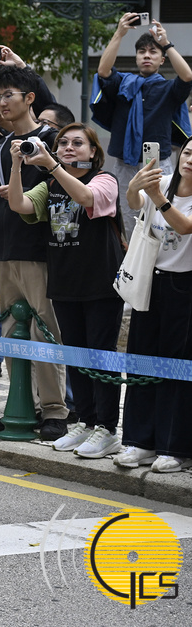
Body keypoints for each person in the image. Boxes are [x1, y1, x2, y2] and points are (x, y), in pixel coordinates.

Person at [6, 123, 125, 459]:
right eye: (62, 143)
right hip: (64, 283)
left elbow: (87, 198)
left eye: (77, 143)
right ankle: (86, 422)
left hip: (101, 284)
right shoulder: (50, 184)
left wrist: (51, 164)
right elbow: (19, 204)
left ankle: (107, 428)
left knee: (100, 355)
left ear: (93, 151)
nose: (68, 147)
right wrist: (16, 165)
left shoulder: (104, 179)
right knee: (75, 356)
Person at [0, 58, 70, 441]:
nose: (1, 103)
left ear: (30, 98)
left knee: (44, 329)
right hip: (2, 248)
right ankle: (20, 405)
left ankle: (55, 410)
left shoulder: (52, 139)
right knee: (10, 328)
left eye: (8, 95)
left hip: (38, 248)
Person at [114, 140, 192, 473]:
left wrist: (158, 197)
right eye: (188, 152)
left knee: (176, 366)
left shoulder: (163, 190)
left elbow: (185, 227)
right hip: (151, 278)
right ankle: (139, 442)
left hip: (185, 285)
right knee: (141, 359)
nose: (190, 160)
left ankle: (173, 447)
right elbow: (135, 204)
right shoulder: (163, 180)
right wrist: (134, 188)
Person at [93, 14, 192, 235]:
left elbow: (187, 76)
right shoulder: (123, 83)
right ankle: (132, 254)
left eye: (153, 52)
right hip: (125, 163)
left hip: (159, 162)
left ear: (162, 60)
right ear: (136, 57)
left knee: (162, 218)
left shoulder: (169, 89)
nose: (147, 55)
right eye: (141, 52)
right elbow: (103, 72)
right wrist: (119, 33)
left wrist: (166, 43)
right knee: (130, 219)